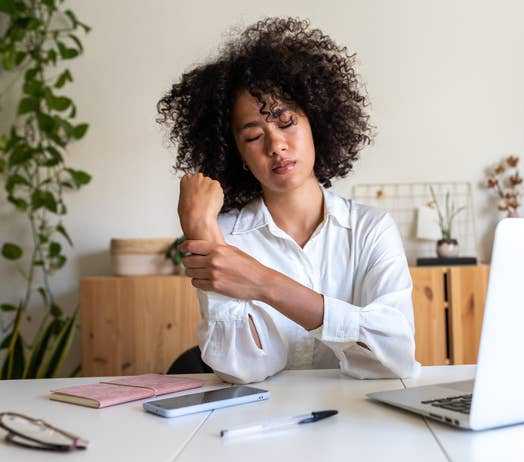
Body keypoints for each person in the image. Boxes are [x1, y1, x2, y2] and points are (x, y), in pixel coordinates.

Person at [157, 17, 420, 384]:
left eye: (286, 122)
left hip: (360, 423)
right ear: (238, 156)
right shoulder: (225, 234)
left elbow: (395, 355)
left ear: (317, 122)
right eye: (253, 137)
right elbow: (245, 368)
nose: (275, 145)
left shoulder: (370, 229)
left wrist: (263, 282)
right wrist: (200, 227)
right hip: (255, 428)